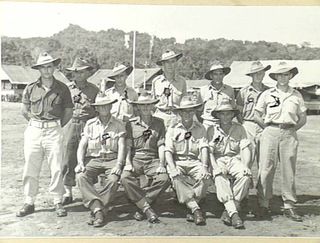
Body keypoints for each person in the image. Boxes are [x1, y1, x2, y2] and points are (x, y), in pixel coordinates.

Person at [17, 52, 74, 217]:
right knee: (30, 166)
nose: (47, 70)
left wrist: (55, 126)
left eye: (50, 66)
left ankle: (58, 201)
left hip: (54, 130)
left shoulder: (62, 88)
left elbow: (68, 112)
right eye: (43, 67)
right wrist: (36, 124)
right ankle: (29, 201)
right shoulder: (30, 88)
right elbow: (24, 110)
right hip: (34, 130)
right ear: (39, 69)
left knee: (56, 167)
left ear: (54, 67)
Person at [255, 62, 307, 222]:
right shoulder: (267, 94)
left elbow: (303, 118)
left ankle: (289, 205)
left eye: (286, 74)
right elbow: (257, 115)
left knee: (288, 170)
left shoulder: (297, 95)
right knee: (266, 168)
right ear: (275, 77)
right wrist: (268, 128)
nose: (283, 77)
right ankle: (264, 204)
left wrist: (290, 130)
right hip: (270, 131)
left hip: (289, 132)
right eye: (280, 74)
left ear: (291, 76)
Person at [75, 95, 127, 227]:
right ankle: (99, 209)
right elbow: (82, 144)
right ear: (96, 108)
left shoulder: (119, 124)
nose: (104, 108)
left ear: (111, 106)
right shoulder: (90, 124)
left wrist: (119, 164)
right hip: (94, 159)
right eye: (101, 106)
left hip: (112, 159)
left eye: (107, 105)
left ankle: (96, 210)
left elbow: (122, 146)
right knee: (81, 176)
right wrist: (80, 162)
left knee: (114, 179)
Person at [120, 92, 170, 223]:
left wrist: (161, 164)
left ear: (153, 106)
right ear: (137, 107)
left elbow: (161, 145)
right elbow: (128, 147)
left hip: (153, 159)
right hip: (136, 158)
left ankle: (142, 204)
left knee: (165, 179)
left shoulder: (159, 123)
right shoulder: (131, 124)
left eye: (148, 105)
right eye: (142, 106)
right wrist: (128, 163)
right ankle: (147, 208)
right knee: (125, 178)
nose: (146, 108)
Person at [165, 96, 211, 226]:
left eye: (191, 111)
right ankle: (196, 209)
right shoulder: (173, 128)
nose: (187, 114)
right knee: (176, 177)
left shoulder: (201, 128)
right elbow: (168, 151)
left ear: (195, 112)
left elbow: (203, 149)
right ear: (179, 113)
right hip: (178, 161)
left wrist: (204, 166)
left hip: (194, 161)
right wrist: (173, 168)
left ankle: (189, 202)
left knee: (206, 177)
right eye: (184, 111)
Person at [207, 101, 252, 229]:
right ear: (218, 116)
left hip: (234, 159)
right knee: (219, 176)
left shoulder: (239, 128)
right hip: (218, 159)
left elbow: (245, 148)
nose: (226, 117)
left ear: (233, 115)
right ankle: (235, 214)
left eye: (228, 114)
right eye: (222, 114)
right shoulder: (211, 130)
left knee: (245, 175)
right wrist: (215, 167)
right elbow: (209, 152)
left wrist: (246, 166)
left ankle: (230, 210)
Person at [62, 57, 100, 205]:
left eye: (81, 72)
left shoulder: (94, 90)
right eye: (75, 72)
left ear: (87, 73)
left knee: (88, 157)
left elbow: (98, 110)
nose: (78, 75)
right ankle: (68, 191)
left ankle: (88, 192)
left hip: (88, 125)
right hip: (71, 124)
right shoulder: (66, 89)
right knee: (68, 157)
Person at [236, 61, 270, 167]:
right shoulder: (244, 91)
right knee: (247, 158)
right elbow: (238, 111)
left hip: (264, 125)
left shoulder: (269, 92)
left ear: (264, 74)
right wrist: (244, 124)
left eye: (260, 73)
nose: (258, 76)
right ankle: (247, 183)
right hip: (248, 125)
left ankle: (261, 184)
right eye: (255, 73)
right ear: (251, 75)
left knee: (263, 159)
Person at [152, 50, 187, 128]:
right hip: (159, 118)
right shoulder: (156, 82)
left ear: (176, 63)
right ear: (162, 65)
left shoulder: (182, 82)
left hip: (176, 119)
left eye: (173, 61)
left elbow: (185, 104)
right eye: (167, 62)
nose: (170, 65)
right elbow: (152, 104)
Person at [200, 61, 236, 130]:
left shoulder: (229, 90)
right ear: (211, 76)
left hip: (225, 124)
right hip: (208, 124)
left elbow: (233, 109)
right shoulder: (203, 90)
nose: (218, 77)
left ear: (223, 75)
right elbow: (198, 112)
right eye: (215, 74)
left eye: (220, 74)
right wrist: (206, 122)